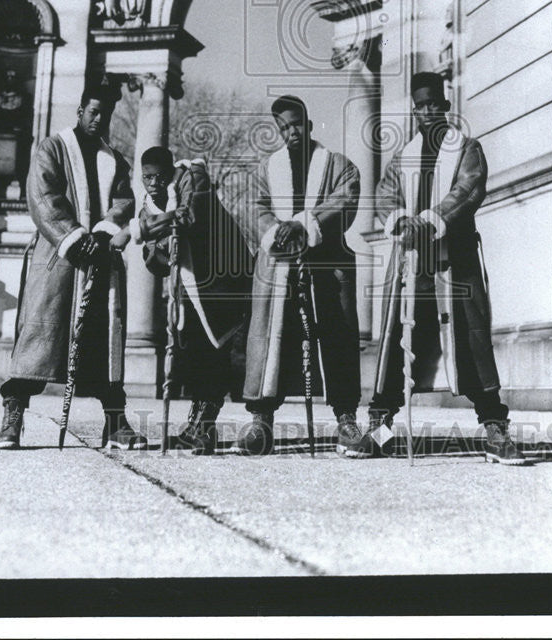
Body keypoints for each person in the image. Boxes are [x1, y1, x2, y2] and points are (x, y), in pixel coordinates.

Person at [358, 71, 527, 465]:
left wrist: (431, 218)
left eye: (435, 104)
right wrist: (400, 218)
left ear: (445, 106)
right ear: (414, 110)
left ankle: (494, 430)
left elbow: (468, 189)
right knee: (399, 342)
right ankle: (380, 430)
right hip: (412, 265)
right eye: (421, 106)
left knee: (471, 342)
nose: (428, 111)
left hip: (456, 262)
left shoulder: (467, 148)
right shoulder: (403, 157)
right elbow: (386, 195)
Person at [0, 84, 147, 451]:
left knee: (103, 343)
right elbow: (43, 197)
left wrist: (104, 232)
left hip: (102, 259)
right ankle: (13, 417)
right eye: (94, 112)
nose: (99, 120)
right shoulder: (52, 148)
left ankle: (115, 422)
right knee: (39, 339)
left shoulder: (116, 159)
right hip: (58, 258)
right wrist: (76, 238)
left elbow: (123, 200)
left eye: (106, 114)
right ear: (79, 110)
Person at [236, 95, 364, 457]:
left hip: (326, 264)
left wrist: (305, 224)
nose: (291, 132)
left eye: (295, 124)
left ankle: (346, 420)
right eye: (283, 128)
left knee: (335, 339)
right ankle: (261, 419)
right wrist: (276, 231)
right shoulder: (267, 168)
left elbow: (346, 197)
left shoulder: (339, 164)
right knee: (271, 341)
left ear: (307, 123)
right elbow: (253, 204)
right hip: (277, 267)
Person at [110, 147, 251, 454]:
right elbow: (153, 262)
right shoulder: (148, 206)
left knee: (215, 349)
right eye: (147, 177)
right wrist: (160, 248)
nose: (153, 184)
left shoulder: (193, 177)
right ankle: (196, 423)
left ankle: (205, 427)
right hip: (188, 288)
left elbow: (188, 215)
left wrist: (134, 230)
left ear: (170, 170)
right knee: (196, 351)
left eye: (159, 176)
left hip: (223, 278)